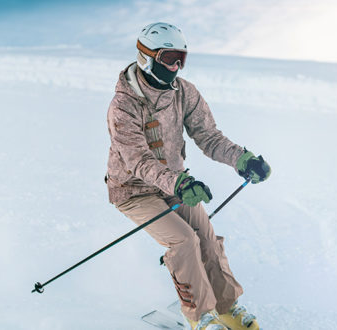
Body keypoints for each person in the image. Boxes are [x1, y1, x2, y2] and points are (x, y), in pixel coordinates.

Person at [105, 22, 271, 330]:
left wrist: (242, 159)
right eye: (170, 58)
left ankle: (226, 307)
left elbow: (209, 136)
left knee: (206, 238)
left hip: (176, 186)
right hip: (134, 191)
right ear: (148, 57)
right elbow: (138, 161)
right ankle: (199, 317)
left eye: (182, 58)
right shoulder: (123, 105)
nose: (177, 66)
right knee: (183, 240)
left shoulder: (185, 93)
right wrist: (179, 183)